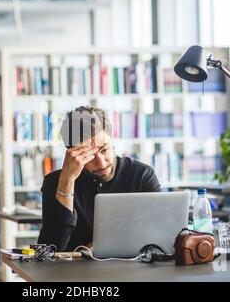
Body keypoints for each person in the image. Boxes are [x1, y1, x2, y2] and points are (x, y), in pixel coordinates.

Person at [38, 106, 161, 252]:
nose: (101, 163)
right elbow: (50, 250)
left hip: (135, 268)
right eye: (88, 155)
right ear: (72, 155)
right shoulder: (55, 183)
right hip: (74, 272)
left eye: (104, 149)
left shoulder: (141, 175)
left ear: (112, 139)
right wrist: (66, 183)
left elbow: (160, 235)